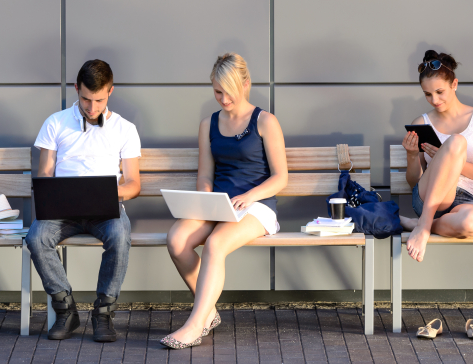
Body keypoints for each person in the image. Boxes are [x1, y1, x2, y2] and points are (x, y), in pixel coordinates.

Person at [163, 53, 288, 349]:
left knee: (216, 244)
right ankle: (208, 312)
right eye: (217, 91)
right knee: (177, 239)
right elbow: (205, 175)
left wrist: (248, 196)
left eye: (228, 91)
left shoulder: (265, 121)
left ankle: (195, 324)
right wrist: (206, 201)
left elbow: (281, 178)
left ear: (245, 84)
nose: (223, 98)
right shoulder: (209, 124)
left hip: (257, 206)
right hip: (221, 204)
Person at [26, 59, 141, 343]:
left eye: (99, 100)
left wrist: (107, 195)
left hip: (107, 210)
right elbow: (45, 174)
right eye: (86, 99)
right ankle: (66, 309)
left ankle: (103, 313)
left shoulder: (125, 129)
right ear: (76, 89)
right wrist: (54, 194)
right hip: (62, 212)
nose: (92, 108)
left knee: (120, 235)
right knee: (36, 238)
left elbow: (134, 184)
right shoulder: (56, 123)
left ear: (110, 91)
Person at [400, 51, 473, 267]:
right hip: (434, 199)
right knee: (456, 142)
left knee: (472, 224)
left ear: (454, 84)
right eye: (428, 94)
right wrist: (412, 155)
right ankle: (426, 223)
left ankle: (420, 225)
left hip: (471, 201)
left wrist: (451, 161)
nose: (434, 100)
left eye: (440, 92)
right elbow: (413, 182)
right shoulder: (422, 122)